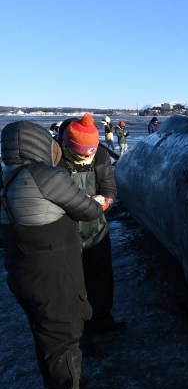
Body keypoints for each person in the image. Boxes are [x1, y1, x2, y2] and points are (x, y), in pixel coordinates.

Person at [0, 120, 106, 389]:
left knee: (43, 330)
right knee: (64, 332)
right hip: (53, 270)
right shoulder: (46, 176)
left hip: (20, 269)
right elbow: (88, 211)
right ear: (38, 144)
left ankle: (56, 386)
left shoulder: (6, 176)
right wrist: (95, 201)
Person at [58, 115, 126, 338]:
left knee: (102, 276)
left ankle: (103, 319)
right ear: (68, 145)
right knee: (73, 282)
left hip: (96, 227)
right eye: (80, 154)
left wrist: (105, 201)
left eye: (90, 153)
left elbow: (109, 187)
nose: (87, 159)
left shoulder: (102, 155)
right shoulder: (55, 159)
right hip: (66, 230)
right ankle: (80, 331)